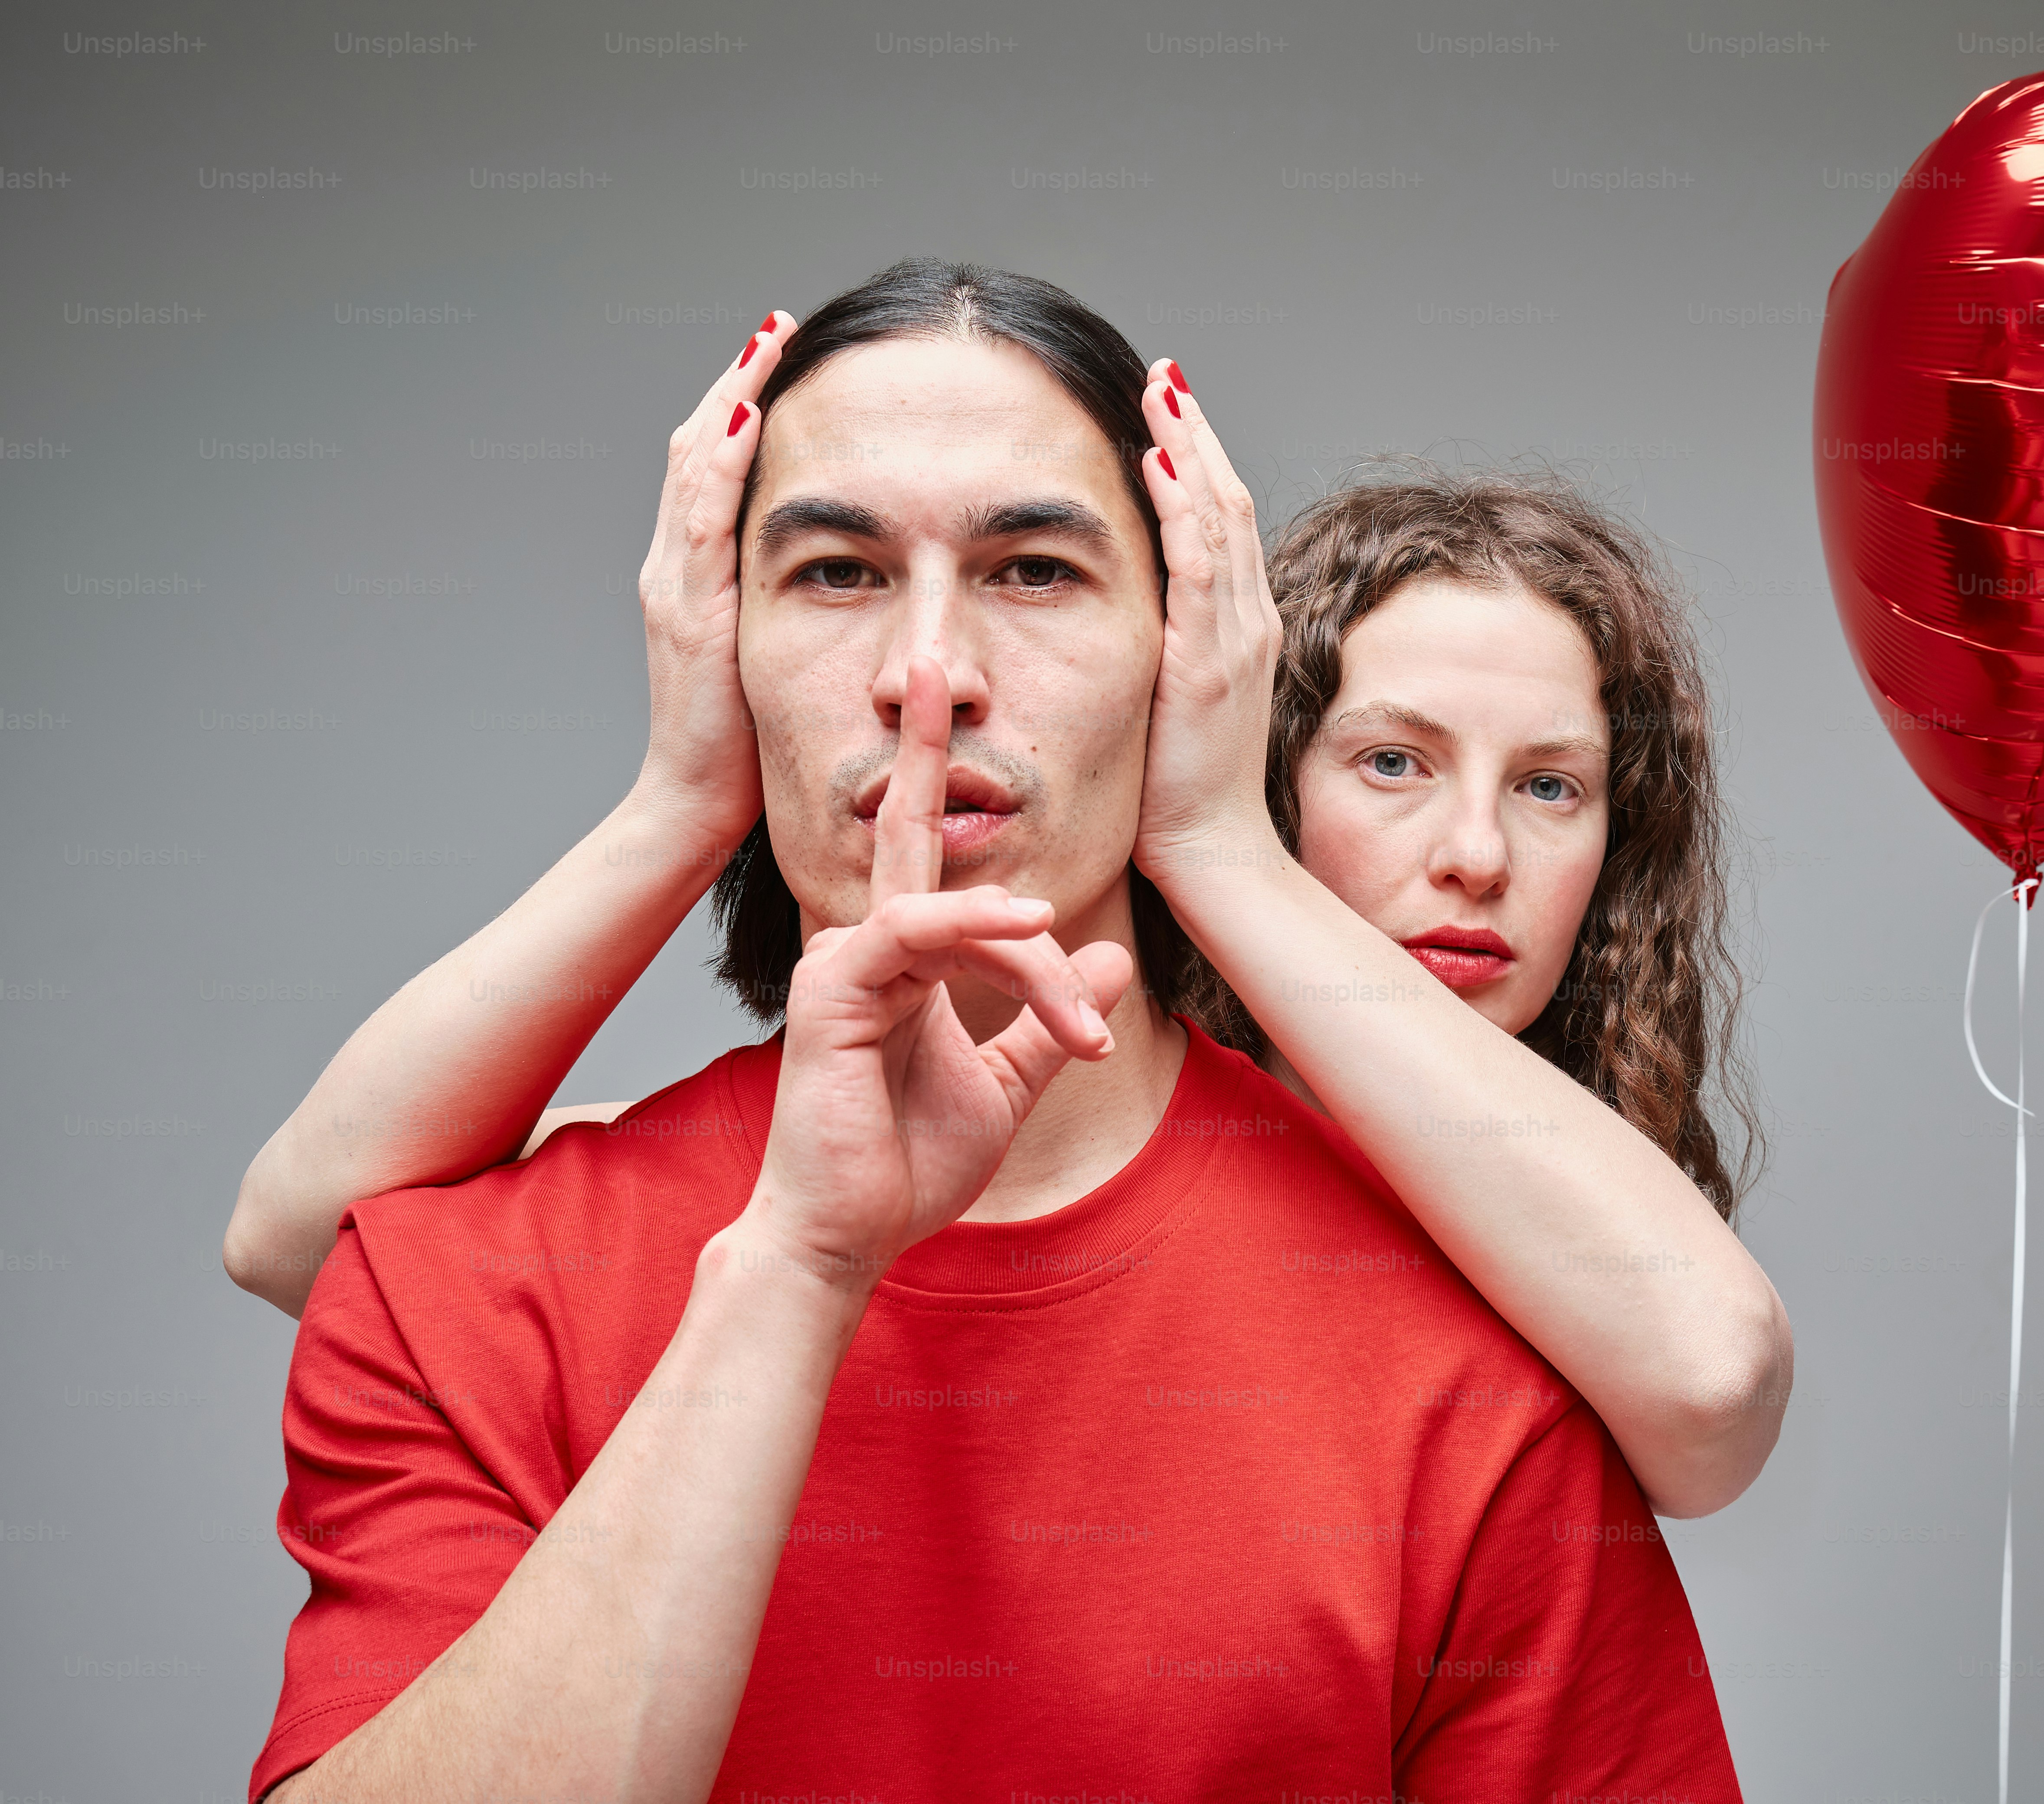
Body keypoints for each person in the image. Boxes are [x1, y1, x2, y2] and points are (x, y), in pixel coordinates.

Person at [242, 259, 1749, 1802]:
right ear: (722, 647)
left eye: (1035, 571)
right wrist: (799, 1267)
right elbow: (286, 1228)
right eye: (835, 571)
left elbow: (1713, 1372)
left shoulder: (1479, 1349)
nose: (928, 677)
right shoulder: (461, 1290)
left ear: (1192, 662)